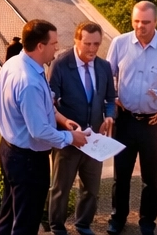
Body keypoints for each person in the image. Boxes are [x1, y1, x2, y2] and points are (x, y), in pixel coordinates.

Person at [0, 20, 87, 235]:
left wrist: (61, 119)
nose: (57, 47)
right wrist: (71, 137)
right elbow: (39, 131)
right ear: (40, 47)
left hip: (9, 151)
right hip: (28, 161)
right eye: (54, 43)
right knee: (26, 221)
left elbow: (40, 105)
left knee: (8, 213)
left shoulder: (14, 64)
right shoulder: (30, 82)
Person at [106, 1, 157, 235]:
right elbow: (107, 75)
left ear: (156, 22)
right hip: (126, 121)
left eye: (146, 22)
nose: (140, 26)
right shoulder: (119, 43)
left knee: (151, 178)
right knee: (120, 175)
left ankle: (147, 222)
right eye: (136, 21)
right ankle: (117, 217)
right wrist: (115, 98)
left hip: (154, 123)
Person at [49, 21, 117, 235]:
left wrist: (110, 117)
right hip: (68, 139)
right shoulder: (60, 65)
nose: (92, 49)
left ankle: (83, 224)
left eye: (96, 44)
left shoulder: (104, 66)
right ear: (76, 41)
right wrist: (65, 126)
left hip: (95, 139)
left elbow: (110, 99)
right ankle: (57, 227)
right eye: (87, 43)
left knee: (92, 188)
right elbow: (49, 103)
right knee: (61, 188)